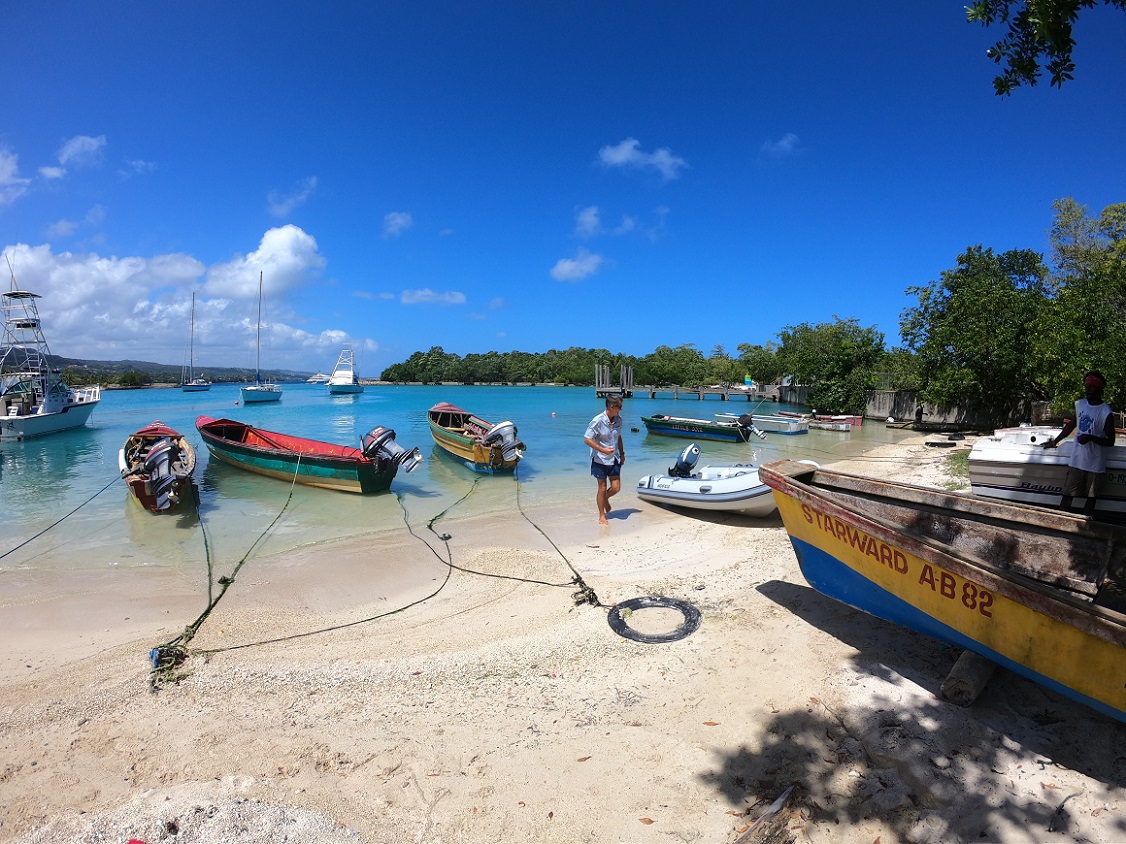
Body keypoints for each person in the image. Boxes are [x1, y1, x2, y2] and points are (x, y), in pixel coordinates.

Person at [1042, 371, 1115, 516]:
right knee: (1068, 494)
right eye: (1086, 386)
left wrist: (1091, 438)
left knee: (1091, 497)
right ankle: (1062, 522)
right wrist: (1055, 442)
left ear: (1100, 389)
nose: (1087, 389)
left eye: (1091, 386)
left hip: (1095, 464)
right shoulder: (1080, 404)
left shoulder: (1106, 412)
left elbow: (1110, 441)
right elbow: (1071, 425)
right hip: (1077, 461)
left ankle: (1084, 525)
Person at [584, 395, 625, 524]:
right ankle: (602, 515)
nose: (621, 409)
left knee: (616, 487)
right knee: (602, 488)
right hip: (599, 460)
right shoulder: (597, 421)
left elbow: (618, 437)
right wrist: (602, 450)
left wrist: (622, 453)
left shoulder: (619, 420)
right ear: (612, 407)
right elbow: (587, 439)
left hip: (614, 458)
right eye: (620, 407)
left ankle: (605, 498)